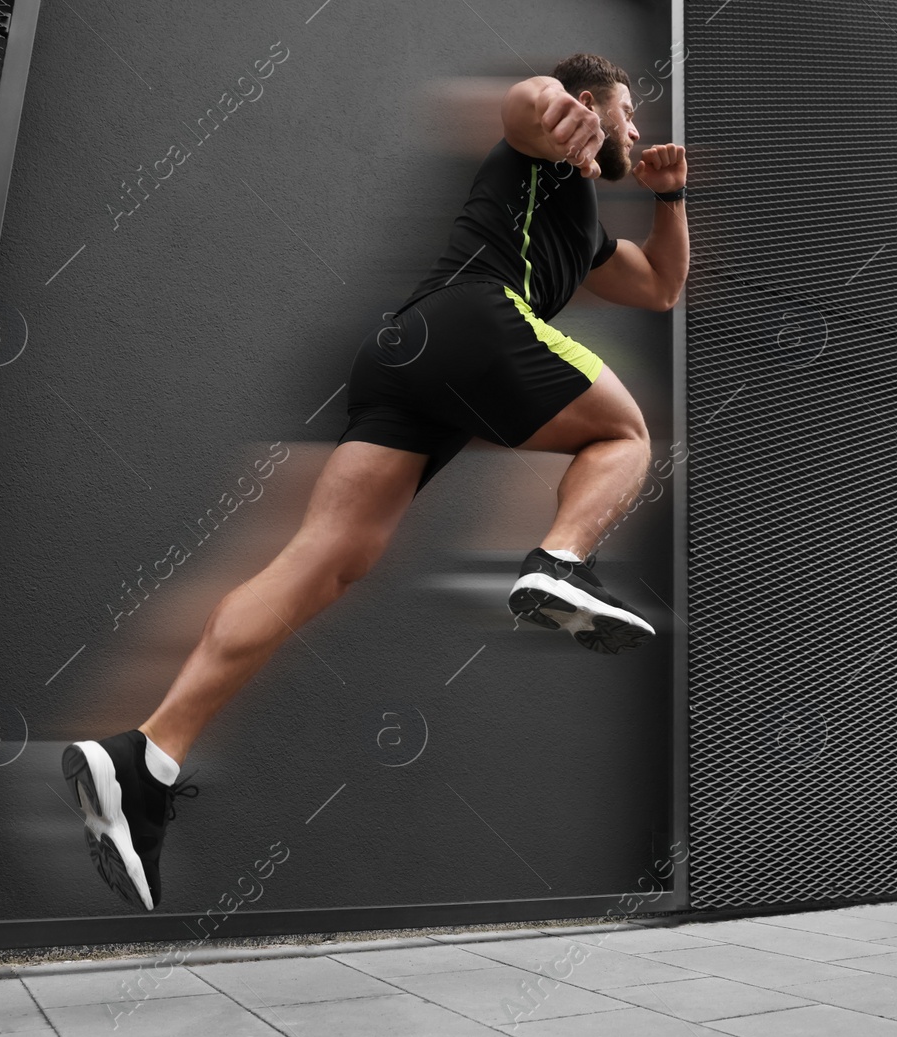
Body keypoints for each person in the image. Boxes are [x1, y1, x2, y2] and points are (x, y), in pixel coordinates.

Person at [60, 52, 689, 911]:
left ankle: (147, 755)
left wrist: (671, 198)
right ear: (589, 104)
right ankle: (560, 560)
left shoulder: (581, 228)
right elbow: (526, 103)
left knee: (326, 560)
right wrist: (556, 111)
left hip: (405, 358)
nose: (636, 130)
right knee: (628, 432)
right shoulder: (540, 145)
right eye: (626, 115)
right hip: (473, 317)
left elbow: (659, 286)